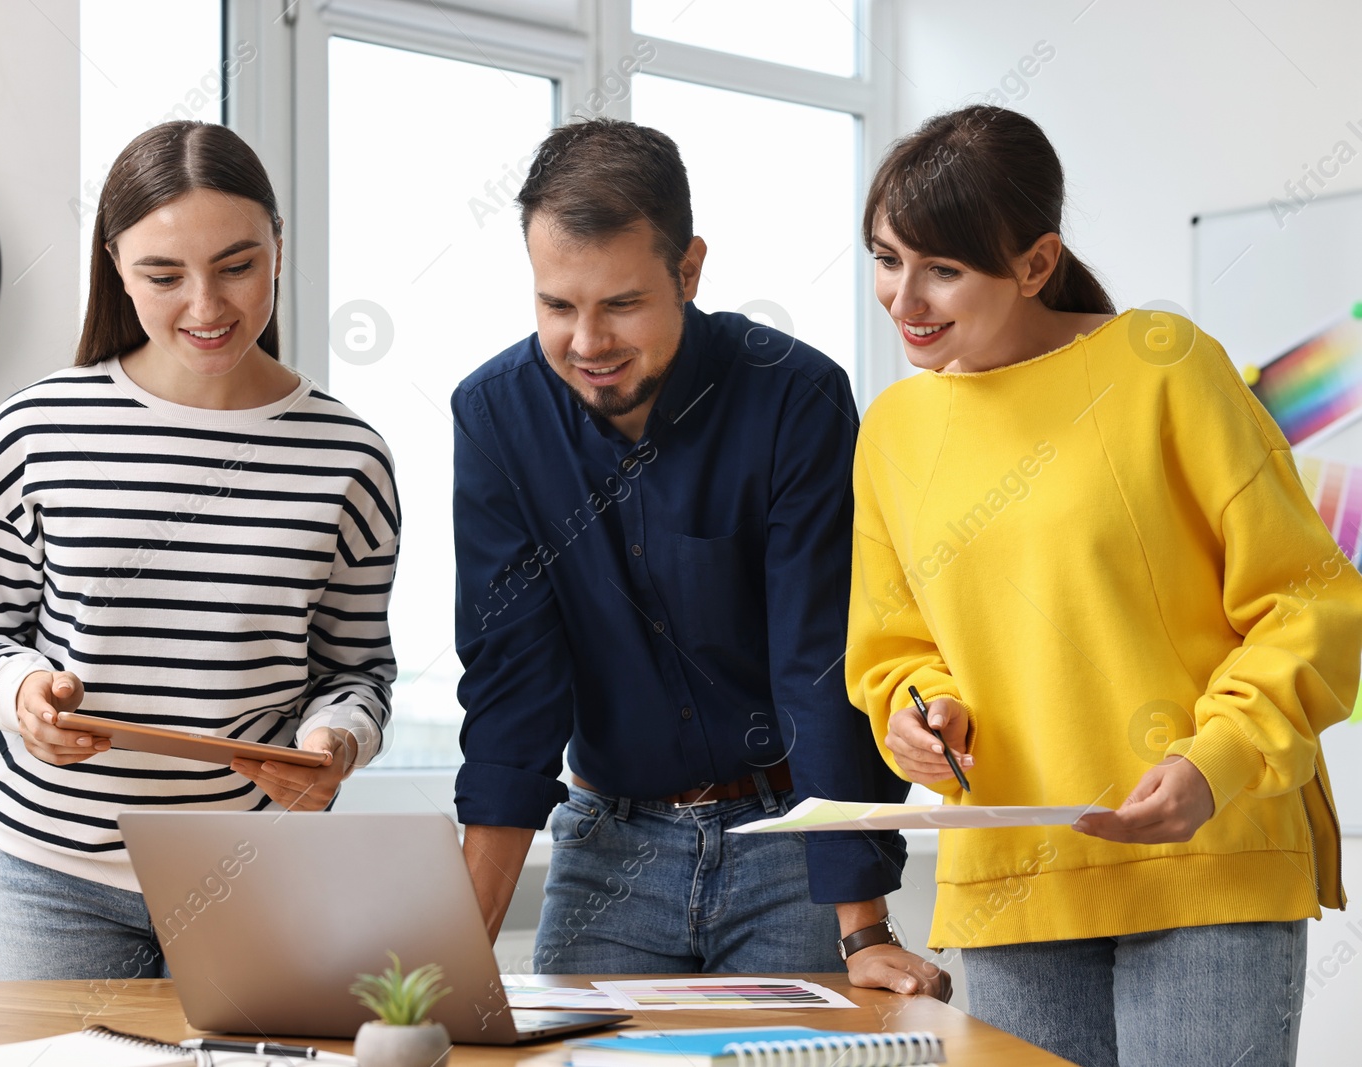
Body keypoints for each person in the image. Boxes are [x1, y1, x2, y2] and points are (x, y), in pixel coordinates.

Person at [847, 104, 1362, 1067]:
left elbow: (1308, 601)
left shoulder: (1163, 367)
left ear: (1037, 264)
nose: (904, 297)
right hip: (1011, 875)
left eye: (943, 267)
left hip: (1204, 859)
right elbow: (894, 645)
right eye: (885, 258)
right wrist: (921, 712)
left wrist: (1219, 759)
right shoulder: (893, 431)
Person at [450, 118, 949, 996]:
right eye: (557, 306)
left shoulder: (795, 398)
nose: (588, 342)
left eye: (622, 304)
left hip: (787, 840)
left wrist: (862, 925)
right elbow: (512, 690)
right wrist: (448, 957)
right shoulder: (496, 417)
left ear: (688, 270)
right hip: (608, 844)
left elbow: (819, 662)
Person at [0, 121, 399, 983]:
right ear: (115, 265)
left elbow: (359, 671)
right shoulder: (36, 430)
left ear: (279, 250)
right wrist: (21, 692)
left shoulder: (348, 455)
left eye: (237, 265)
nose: (207, 307)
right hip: (55, 879)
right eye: (163, 274)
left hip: (258, 875)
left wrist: (334, 742)